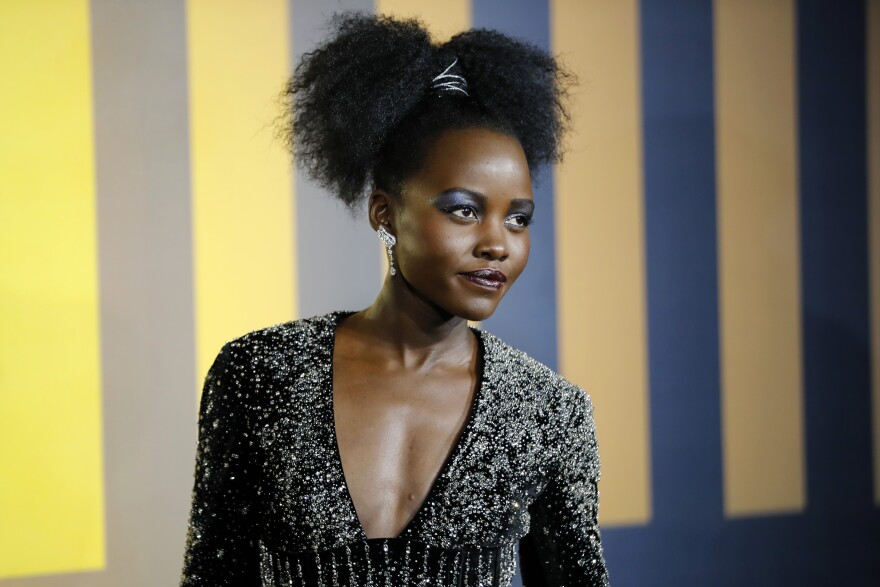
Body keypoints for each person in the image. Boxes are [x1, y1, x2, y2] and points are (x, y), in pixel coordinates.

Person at [180, 11, 609, 587]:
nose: (497, 244)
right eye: (463, 209)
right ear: (385, 212)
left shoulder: (550, 412)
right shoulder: (260, 375)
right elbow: (213, 573)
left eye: (518, 219)